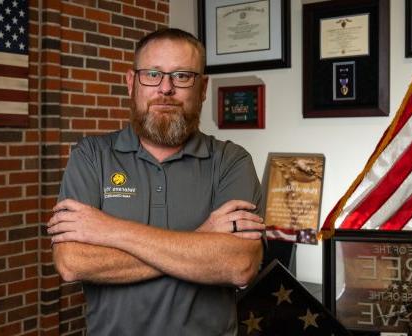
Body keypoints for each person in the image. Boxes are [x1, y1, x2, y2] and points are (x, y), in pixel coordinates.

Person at [48, 28, 265, 335]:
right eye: (152, 74)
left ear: (202, 88)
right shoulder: (91, 156)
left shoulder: (231, 161)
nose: (165, 88)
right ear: (130, 82)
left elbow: (238, 264)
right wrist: (202, 239)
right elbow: (72, 263)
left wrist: (108, 229)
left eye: (182, 76)